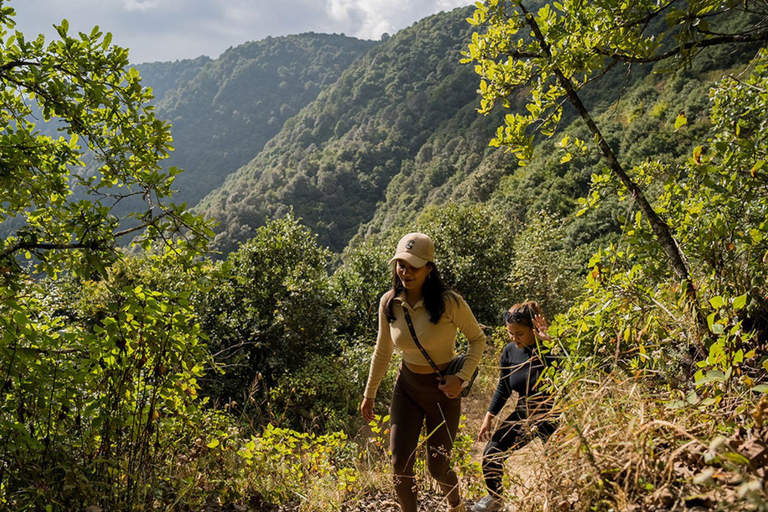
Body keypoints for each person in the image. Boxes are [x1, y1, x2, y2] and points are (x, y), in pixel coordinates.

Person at [360, 232, 487, 512]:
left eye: (413, 266)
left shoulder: (449, 302)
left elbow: (477, 339)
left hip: (443, 392)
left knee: (438, 467)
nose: (405, 272)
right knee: (399, 464)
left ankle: (456, 505)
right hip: (407, 387)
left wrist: (462, 378)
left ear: (429, 268)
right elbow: (383, 351)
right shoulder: (388, 303)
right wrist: (369, 394)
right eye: (400, 264)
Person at [471, 301, 557, 512]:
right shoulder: (510, 351)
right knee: (492, 454)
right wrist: (489, 415)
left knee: (558, 465)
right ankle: (495, 500)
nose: (513, 338)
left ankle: (556, 504)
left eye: (519, 333)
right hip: (524, 414)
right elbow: (504, 386)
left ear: (534, 328)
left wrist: (551, 343)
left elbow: (569, 372)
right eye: (510, 333)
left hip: (554, 417)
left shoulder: (550, 348)